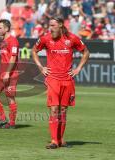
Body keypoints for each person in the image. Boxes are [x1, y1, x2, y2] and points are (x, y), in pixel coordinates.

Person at [32, 16, 90, 149]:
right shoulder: (46, 38)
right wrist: (41, 67)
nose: (50, 28)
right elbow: (34, 51)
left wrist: (78, 68)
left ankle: (60, 139)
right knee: (54, 109)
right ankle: (54, 141)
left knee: (63, 110)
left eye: (53, 25)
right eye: (49, 25)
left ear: (61, 26)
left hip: (67, 79)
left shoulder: (72, 38)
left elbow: (86, 52)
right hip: (53, 78)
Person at [0, 19, 20, 129]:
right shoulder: (2, 41)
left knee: (10, 97)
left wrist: (7, 73)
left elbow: (13, 57)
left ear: (6, 29)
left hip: (11, 72)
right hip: (1, 71)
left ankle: (11, 123)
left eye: (0, 28)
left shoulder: (13, 41)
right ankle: (2, 119)